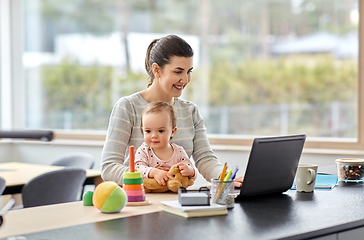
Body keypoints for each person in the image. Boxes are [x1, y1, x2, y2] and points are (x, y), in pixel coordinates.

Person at [101, 34, 243, 187]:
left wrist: (226, 178)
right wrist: (150, 177)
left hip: (179, 202)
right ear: (156, 70)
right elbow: (109, 167)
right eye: (178, 72)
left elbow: (205, 159)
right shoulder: (128, 107)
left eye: (189, 71)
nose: (185, 79)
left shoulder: (190, 111)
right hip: (140, 201)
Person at [135, 101, 196, 185]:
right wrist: (154, 172)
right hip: (152, 195)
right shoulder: (144, 150)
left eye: (160, 131)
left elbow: (192, 173)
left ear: (172, 131)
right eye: (148, 131)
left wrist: (190, 171)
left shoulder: (179, 151)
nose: (154, 136)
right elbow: (137, 169)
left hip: (173, 195)